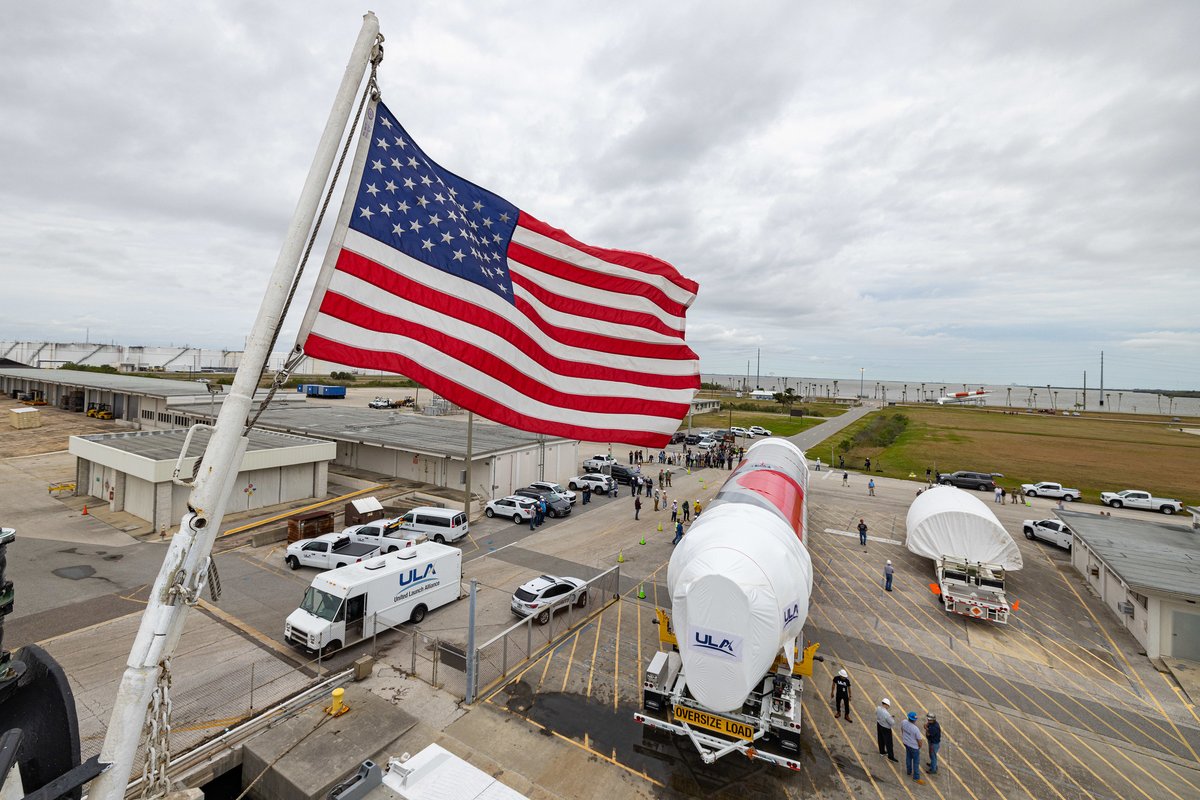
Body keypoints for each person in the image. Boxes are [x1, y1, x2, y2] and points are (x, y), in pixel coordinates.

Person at [901, 711, 925, 784]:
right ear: (914, 720)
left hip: (906, 743)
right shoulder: (915, 729)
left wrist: (905, 738)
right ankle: (916, 777)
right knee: (916, 762)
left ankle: (909, 771)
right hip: (914, 747)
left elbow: (902, 729)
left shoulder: (904, 722)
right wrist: (919, 746)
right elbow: (919, 740)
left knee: (908, 757)